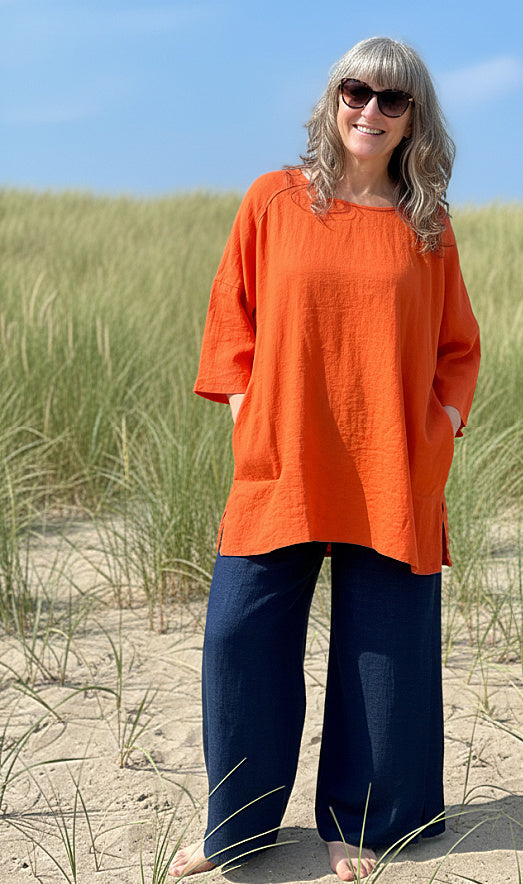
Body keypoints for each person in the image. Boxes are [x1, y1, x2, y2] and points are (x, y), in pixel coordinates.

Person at [169, 35, 480, 882]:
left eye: (392, 100)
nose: (370, 111)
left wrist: (443, 423)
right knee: (240, 637)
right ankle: (237, 826)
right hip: (284, 457)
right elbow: (231, 312)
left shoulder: (427, 224)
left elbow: (458, 345)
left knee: (384, 653)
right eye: (356, 91)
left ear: (415, 119)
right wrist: (245, 406)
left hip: (392, 465)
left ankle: (365, 824)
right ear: (333, 98)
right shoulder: (274, 199)